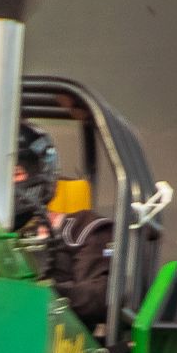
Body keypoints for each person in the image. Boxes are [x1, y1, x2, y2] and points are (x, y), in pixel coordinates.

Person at [11, 123, 114, 330]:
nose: (5, 185)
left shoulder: (81, 228)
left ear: (41, 174)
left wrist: (44, 293)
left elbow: (100, 296)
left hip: (57, 348)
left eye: (15, 174)